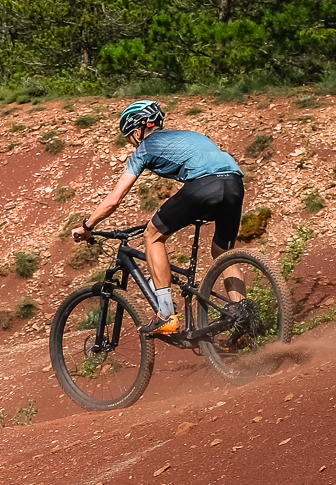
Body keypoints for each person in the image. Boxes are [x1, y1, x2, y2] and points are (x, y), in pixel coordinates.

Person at [74, 100, 245, 339]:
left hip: (205, 184)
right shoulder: (190, 135)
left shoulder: (144, 149)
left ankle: (166, 315)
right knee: (223, 251)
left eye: (128, 138)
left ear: (137, 131)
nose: (130, 143)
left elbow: (114, 200)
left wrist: (87, 226)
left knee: (152, 235)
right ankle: (242, 314)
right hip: (235, 182)